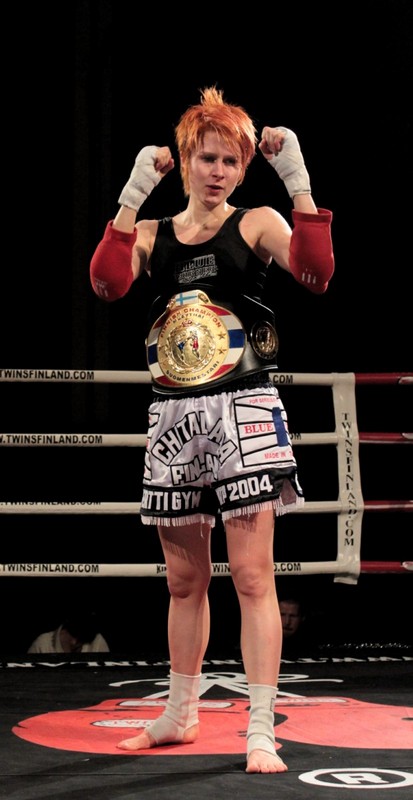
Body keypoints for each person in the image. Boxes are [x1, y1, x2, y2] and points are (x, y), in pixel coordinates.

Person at [90, 86, 334, 773]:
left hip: (244, 408)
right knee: (181, 580)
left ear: (244, 166)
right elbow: (106, 285)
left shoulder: (256, 222)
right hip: (175, 413)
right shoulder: (151, 234)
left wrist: (297, 181)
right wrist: (132, 194)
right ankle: (179, 713)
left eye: (230, 160)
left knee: (252, 576)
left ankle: (260, 728)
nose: (217, 170)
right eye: (207, 158)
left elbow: (316, 274)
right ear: (187, 160)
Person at [27, 610, 110, 653]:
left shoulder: (98, 642)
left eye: (82, 638)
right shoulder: (42, 645)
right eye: (73, 634)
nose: (74, 642)